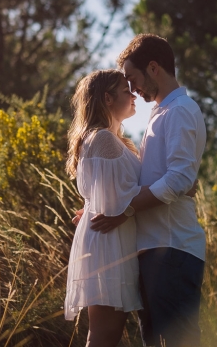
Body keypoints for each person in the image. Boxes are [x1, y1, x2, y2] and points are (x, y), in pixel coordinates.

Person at [90, 34, 207, 347]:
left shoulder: (180, 110)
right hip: (155, 251)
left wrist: (124, 210)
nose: (132, 89)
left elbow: (179, 179)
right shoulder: (161, 114)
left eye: (133, 78)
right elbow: (165, 177)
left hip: (173, 249)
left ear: (153, 68)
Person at [64, 69, 143, 347]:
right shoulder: (103, 139)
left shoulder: (106, 138)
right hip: (109, 242)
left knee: (105, 335)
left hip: (109, 239)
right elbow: (117, 198)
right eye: (126, 91)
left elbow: (104, 193)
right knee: (103, 336)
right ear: (108, 99)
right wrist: (176, 186)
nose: (133, 95)